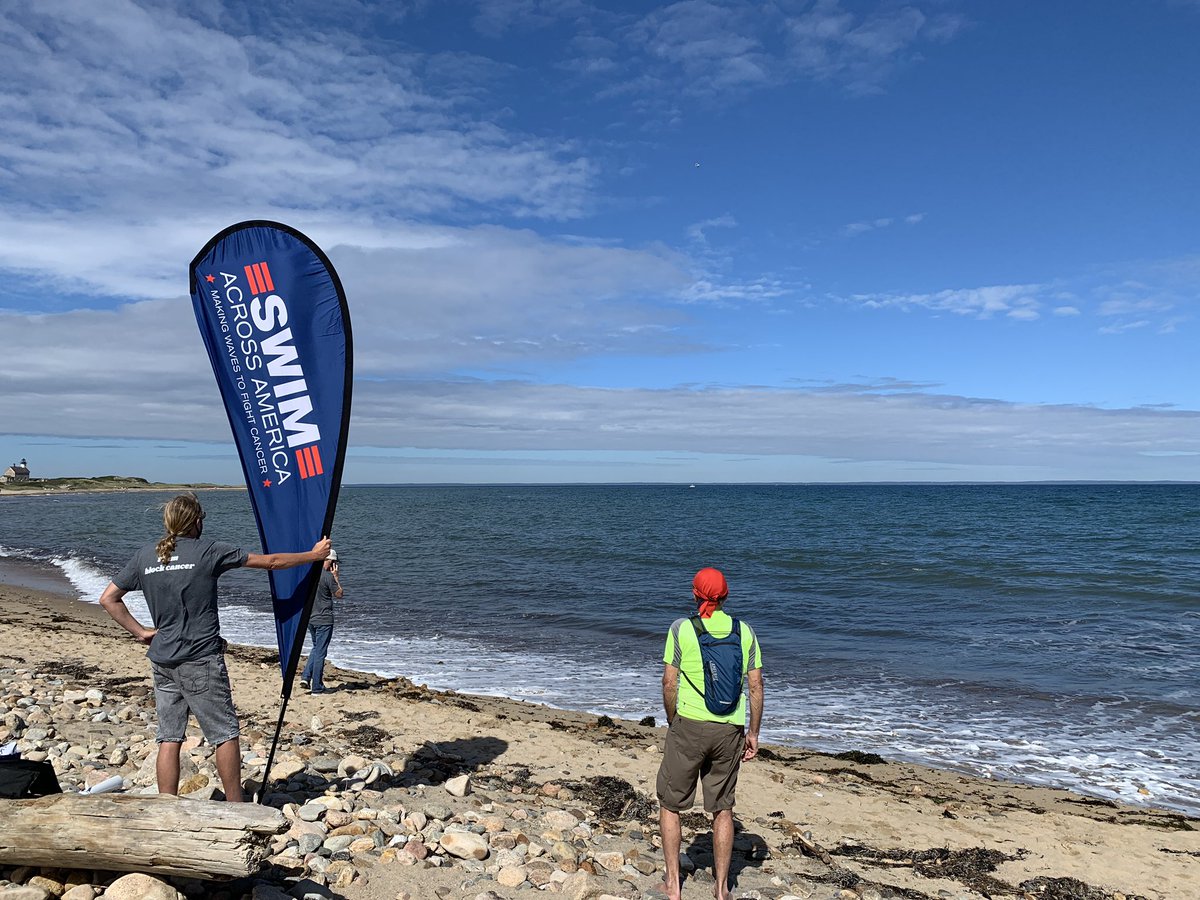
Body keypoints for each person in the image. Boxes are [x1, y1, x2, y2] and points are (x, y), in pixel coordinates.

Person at [98, 492, 330, 802]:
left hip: (162, 659)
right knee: (225, 733)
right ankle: (235, 806)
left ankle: (166, 805)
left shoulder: (146, 556)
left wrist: (141, 632)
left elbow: (108, 598)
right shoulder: (208, 551)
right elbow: (271, 562)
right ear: (196, 521)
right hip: (200, 658)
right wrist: (313, 556)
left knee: (169, 738)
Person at [656, 567, 764, 900]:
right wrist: (753, 733)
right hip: (729, 729)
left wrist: (672, 719)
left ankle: (673, 885)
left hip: (688, 725)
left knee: (671, 804)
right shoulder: (744, 631)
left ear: (695, 594)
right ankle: (721, 889)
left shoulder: (681, 628)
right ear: (726, 595)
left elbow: (669, 682)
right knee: (723, 808)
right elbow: (756, 686)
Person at [300, 547, 342, 693]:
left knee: (316, 647)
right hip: (324, 618)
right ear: (329, 561)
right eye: (334, 563)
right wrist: (336, 577)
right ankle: (317, 686)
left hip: (310, 617)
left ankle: (306, 677)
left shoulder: (309, 575)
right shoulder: (327, 576)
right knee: (320, 652)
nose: (334, 566)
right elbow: (339, 594)